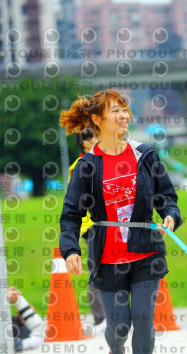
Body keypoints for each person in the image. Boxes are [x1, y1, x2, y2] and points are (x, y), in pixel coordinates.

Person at [58, 90, 181, 354]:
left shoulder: (145, 156)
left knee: (143, 319)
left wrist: (170, 214)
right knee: (119, 325)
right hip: (107, 257)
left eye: (124, 109)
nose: (123, 115)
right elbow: (71, 214)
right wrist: (71, 250)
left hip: (146, 252)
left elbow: (166, 196)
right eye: (115, 110)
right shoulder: (87, 165)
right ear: (98, 120)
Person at [68, 126, 106, 334]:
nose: (94, 140)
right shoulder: (79, 166)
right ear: (82, 142)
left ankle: (118, 313)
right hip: (93, 225)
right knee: (97, 270)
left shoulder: (105, 160)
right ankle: (101, 317)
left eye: (96, 136)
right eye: (89, 138)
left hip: (112, 223)